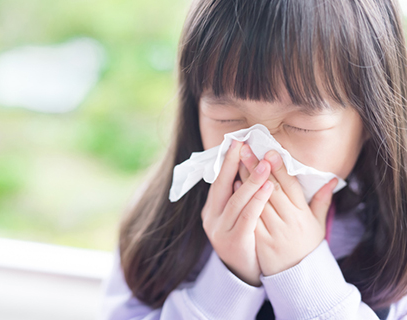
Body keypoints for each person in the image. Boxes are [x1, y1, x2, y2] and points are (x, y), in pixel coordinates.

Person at [98, 0, 407, 319]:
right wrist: (228, 280)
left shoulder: (395, 244)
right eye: (227, 118)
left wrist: (302, 277)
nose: (262, 155)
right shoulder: (159, 229)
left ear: (373, 121)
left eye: (301, 125)